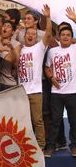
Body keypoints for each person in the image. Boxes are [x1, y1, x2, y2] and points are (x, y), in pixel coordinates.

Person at [17, 4, 52, 150]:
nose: (30, 35)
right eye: (27, 34)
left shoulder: (39, 48)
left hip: (36, 91)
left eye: (33, 34)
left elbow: (48, 34)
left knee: (38, 120)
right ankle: (27, 145)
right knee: (24, 121)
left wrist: (48, 17)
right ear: (24, 36)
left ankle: (41, 146)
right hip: (21, 92)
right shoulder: (19, 49)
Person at [44, 22, 76, 157]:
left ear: (72, 37)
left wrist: (75, 19)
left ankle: (74, 146)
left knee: (74, 122)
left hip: (73, 92)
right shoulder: (52, 51)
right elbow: (47, 67)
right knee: (55, 121)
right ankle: (51, 146)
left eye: (68, 35)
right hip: (56, 93)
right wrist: (51, 78)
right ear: (59, 36)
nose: (65, 37)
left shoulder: (74, 49)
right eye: (63, 34)